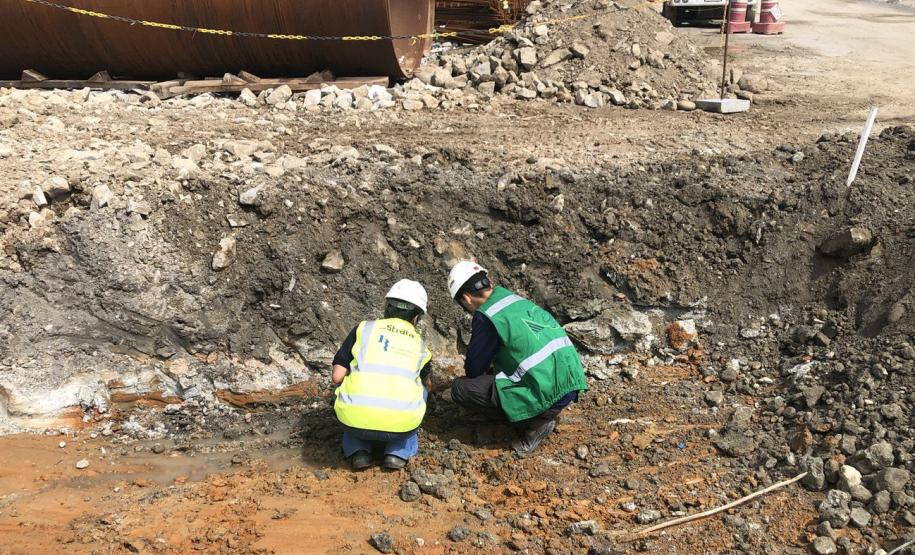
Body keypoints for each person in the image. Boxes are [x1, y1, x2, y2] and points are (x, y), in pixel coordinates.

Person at [447, 261, 587, 456]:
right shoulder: (513, 300)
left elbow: (474, 369)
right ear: (489, 282)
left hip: (547, 391)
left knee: (461, 389)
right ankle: (543, 412)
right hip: (571, 381)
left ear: (466, 299)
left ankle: (533, 422)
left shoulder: (486, 315)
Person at [332, 279, 432, 471]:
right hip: (400, 429)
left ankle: (358, 451)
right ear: (417, 317)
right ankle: (397, 453)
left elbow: (337, 376)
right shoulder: (420, 345)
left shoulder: (363, 329)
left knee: (343, 386)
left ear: (387, 307)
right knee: (422, 391)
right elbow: (428, 383)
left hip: (354, 423)